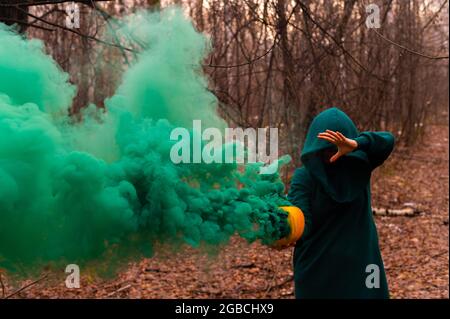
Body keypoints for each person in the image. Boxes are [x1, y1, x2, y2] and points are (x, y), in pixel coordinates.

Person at [287, 107, 395, 299]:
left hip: (363, 267)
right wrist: (286, 226)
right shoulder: (304, 177)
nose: (331, 155)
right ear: (315, 146)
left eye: (336, 147)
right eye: (325, 148)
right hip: (317, 271)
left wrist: (355, 144)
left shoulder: (359, 166)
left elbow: (387, 141)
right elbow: (302, 219)